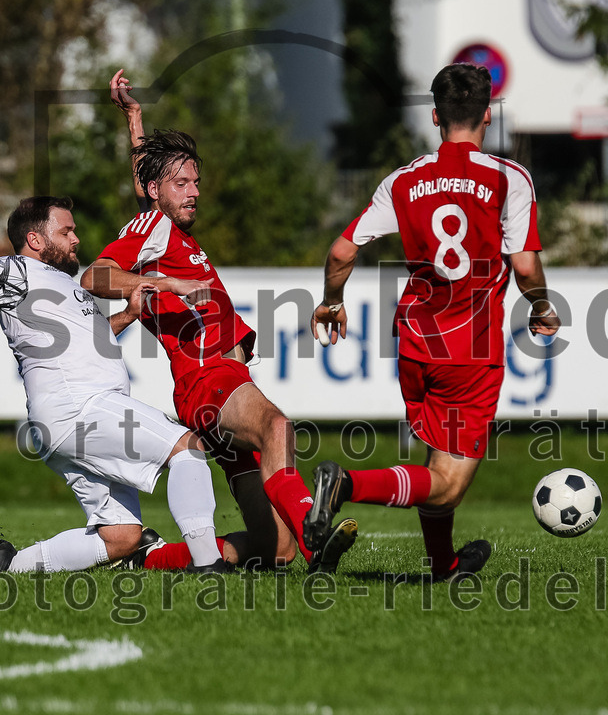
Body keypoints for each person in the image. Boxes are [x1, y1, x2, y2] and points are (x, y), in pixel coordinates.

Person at [0, 196, 230, 574]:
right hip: (81, 408)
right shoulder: (14, 270)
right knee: (187, 447)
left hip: (69, 420)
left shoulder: (63, 284)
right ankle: (207, 563)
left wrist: (129, 314)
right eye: (66, 232)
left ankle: (7, 567)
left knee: (121, 537)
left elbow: (90, 342)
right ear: (35, 239)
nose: (76, 239)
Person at [78, 70, 358, 574]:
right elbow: (93, 276)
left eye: (196, 183)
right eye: (181, 184)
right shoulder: (154, 227)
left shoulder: (160, 228)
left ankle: (148, 557)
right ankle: (314, 533)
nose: (194, 193)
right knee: (277, 427)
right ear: (157, 190)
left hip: (218, 389)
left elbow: (148, 183)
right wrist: (166, 284)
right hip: (210, 379)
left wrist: (135, 119)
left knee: (274, 549)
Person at [304, 63, 562, 581]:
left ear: (435, 117)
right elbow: (525, 266)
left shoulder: (404, 180)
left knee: (435, 462)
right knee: (446, 484)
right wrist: (541, 306)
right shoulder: (508, 178)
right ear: (488, 115)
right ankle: (345, 485)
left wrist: (331, 301)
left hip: (415, 343)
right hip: (470, 349)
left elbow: (341, 252)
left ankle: (442, 564)